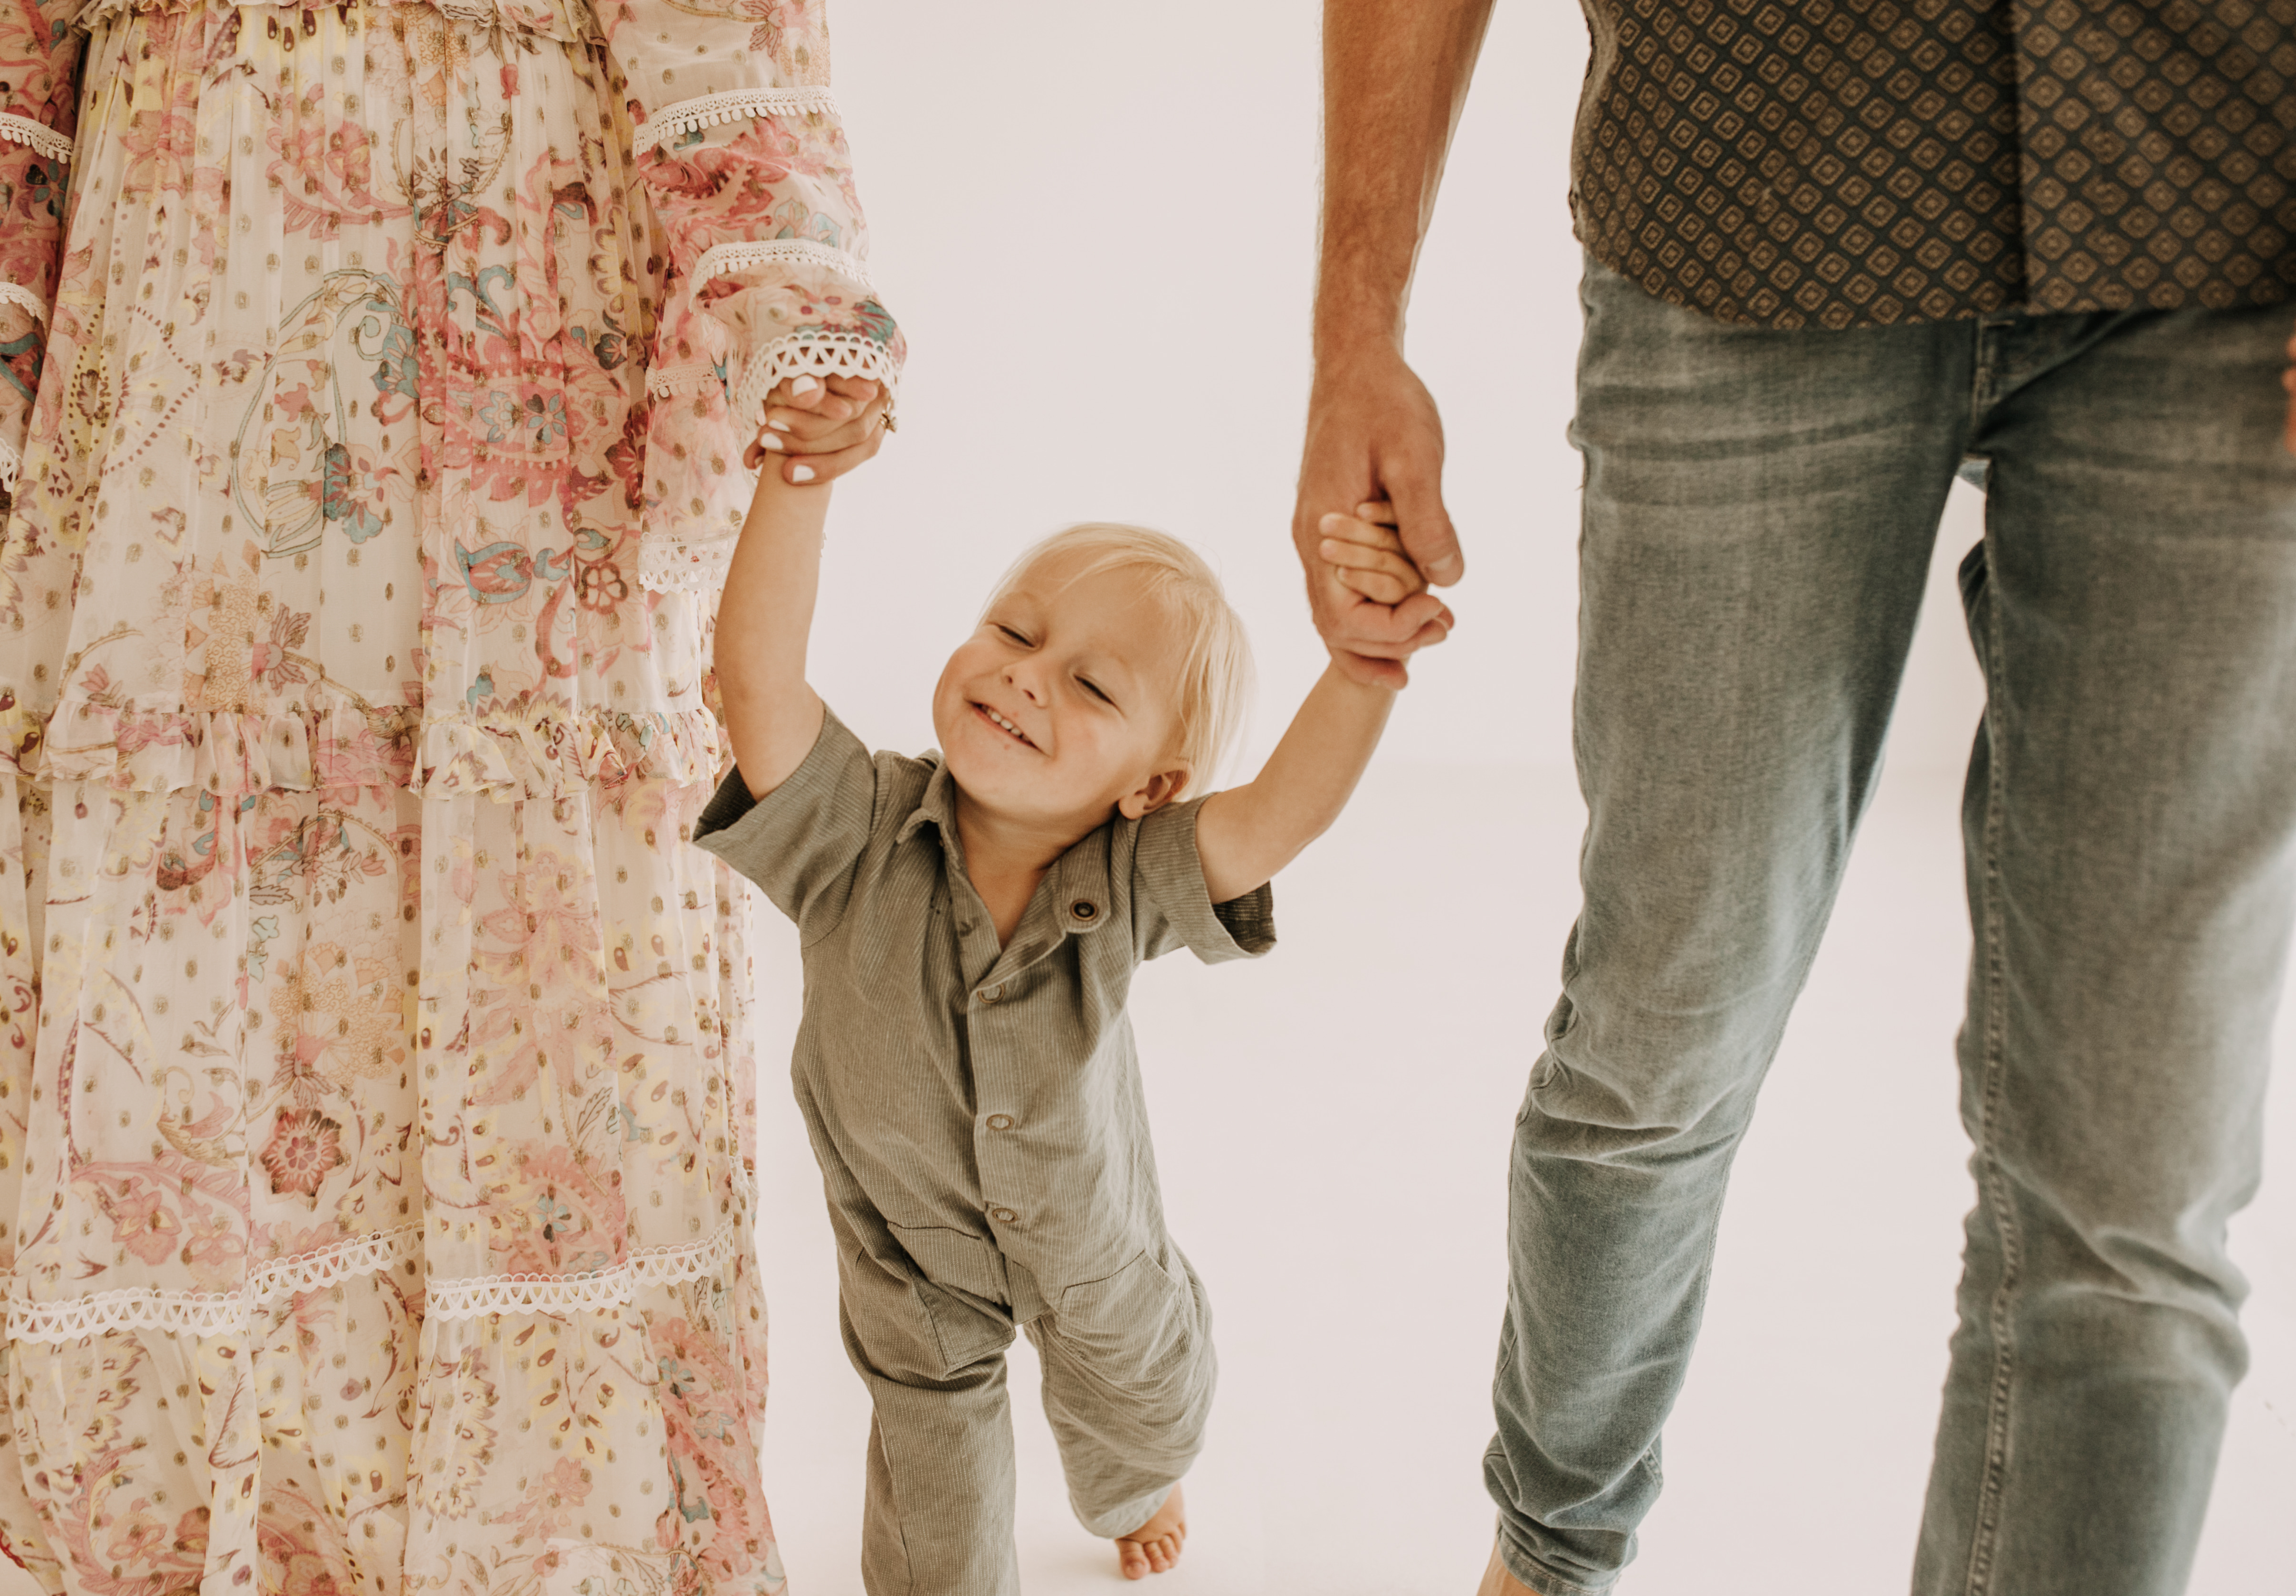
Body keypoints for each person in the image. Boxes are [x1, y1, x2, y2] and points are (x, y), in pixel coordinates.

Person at [1296, 2, 2296, 1594]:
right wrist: (1359, 330)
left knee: (2137, 1180)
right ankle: (1550, 1552)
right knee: (1662, 1032)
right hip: (1752, 189)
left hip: (2231, 226)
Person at [0, 0, 900, 1586]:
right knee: (195, 899)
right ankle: (227, 1498)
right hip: (182, 281)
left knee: (521, 932)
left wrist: (786, 285)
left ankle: (530, 1517)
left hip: (521, 276)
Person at [695, 396, 1446, 1589]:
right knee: (932, 1473)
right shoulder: (855, 832)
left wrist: (1364, 667)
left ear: (1155, 785)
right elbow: (758, 681)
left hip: (1095, 1240)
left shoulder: (1131, 875)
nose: (1025, 678)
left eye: (1092, 687)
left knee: (1142, 1410)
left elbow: (1274, 818)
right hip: (911, 1253)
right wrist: (801, 476)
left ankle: (1139, 1481)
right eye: (1013, 631)